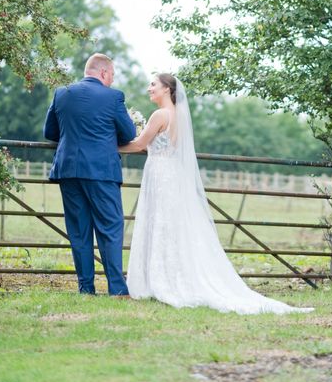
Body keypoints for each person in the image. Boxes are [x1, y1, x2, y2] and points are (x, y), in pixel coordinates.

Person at [119, 73, 313, 314]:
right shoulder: (179, 116)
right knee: (171, 226)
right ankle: (168, 277)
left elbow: (139, 145)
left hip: (160, 174)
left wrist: (109, 146)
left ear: (167, 89)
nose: (149, 88)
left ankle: (160, 281)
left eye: (153, 85)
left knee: (160, 224)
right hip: (173, 176)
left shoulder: (160, 115)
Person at [44, 53, 136, 296]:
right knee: (110, 227)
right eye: (112, 75)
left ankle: (86, 288)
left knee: (79, 230)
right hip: (101, 171)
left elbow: (50, 131)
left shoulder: (62, 93)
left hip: (69, 170)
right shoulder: (113, 97)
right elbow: (128, 134)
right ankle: (117, 288)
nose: (112, 80)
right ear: (104, 73)